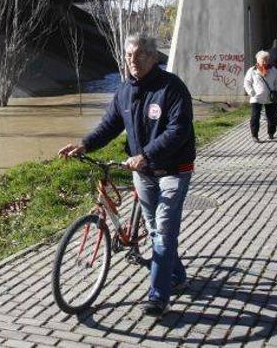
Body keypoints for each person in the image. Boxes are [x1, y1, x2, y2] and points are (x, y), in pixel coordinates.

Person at [58, 34, 195, 318]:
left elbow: (178, 130)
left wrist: (145, 154)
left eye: (140, 54)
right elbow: (109, 125)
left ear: (154, 57)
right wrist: (84, 144)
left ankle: (158, 297)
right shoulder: (124, 92)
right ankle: (177, 275)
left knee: (163, 232)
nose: (133, 60)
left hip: (174, 171)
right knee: (157, 231)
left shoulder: (172, 88)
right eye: (129, 55)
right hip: (143, 173)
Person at [244, 51, 277, 142]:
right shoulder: (252, 70)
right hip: (256, 97)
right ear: (258, 60)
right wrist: (251, 92)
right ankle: (254, 135)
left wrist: (276, 91)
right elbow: (247, 83)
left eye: (267, 59)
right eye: (263, 60)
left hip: (270, 97)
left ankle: (271, 132)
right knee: (255, 117)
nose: (265, 62)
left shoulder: (273, 69)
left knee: (272, 116)